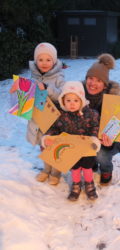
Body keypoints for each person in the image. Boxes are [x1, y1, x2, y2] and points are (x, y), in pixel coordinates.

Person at [42, 81, 100, 201]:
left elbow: (95, 127)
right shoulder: (61, 115)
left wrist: (94, 139)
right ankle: (76, 184)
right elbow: (54, 128)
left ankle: (89, 183)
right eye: (68, 100)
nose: (72, 104)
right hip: (70, 148)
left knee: (87, 167)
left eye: (76, 100)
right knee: (75, 168)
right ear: (63, 101)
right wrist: (48, 137)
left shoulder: (91, 114)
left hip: (86, 148)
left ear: (82, 101)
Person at [82, 53, 120, 185]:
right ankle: (91, 162)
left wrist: (110, 141)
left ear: (105, 85)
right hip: (87, 136)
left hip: (108, 140)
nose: (93, 83)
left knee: (101, 154)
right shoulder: (78, 95)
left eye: (99, 81)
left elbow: (119, 123)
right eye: (90, 78)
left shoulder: (114, 100)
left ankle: (106, 169)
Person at [27, 42, 65, 185]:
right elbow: (27, 98)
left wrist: (47, 88)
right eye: (40, 59)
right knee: (43, 145)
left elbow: (62, 96)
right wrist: (19, 91)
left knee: (54, 146)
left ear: (54, 61)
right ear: (36, 61)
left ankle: (56, 172)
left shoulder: (59, 77)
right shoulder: (33, 77)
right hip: (38, 118)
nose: (44, 63)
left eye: (48, 60)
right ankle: (46, 170)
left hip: (54, 119)